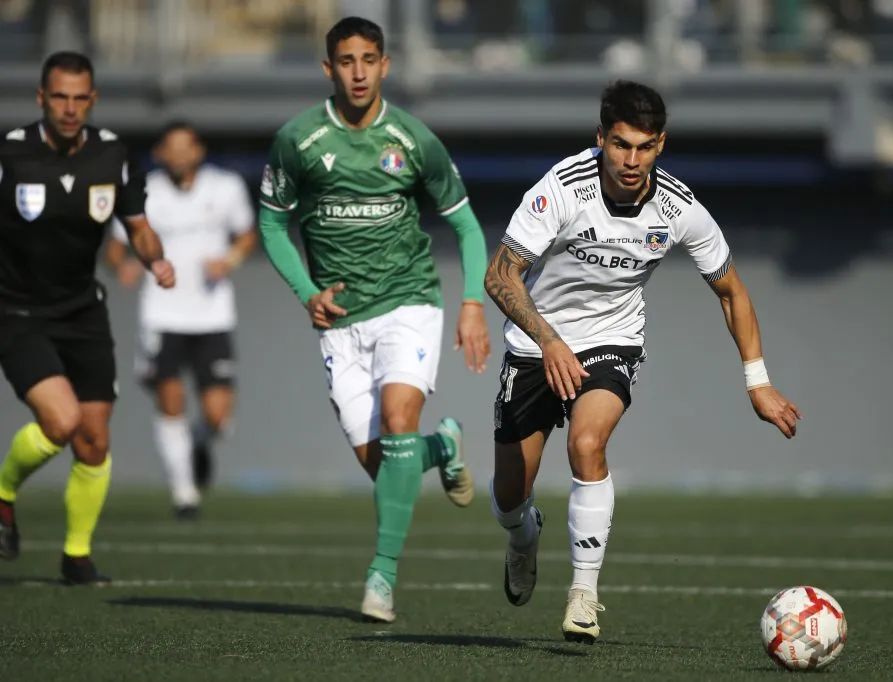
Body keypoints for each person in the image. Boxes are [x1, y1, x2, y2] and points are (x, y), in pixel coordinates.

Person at [484, 80, 802, 644]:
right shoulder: (560, 189)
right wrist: (550, 339)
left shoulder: (679, 208)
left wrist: (758, 381)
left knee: (587, 444)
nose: (632, 160)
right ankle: (522, 537)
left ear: (662, 144)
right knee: (511, 492)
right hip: (537, 344)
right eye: (622, 144)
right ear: (600, 137)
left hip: (612, 339)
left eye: (646, 147)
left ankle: (584, 593)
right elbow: (500, 276)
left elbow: (731, 291)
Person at [257, 17, 491, 623]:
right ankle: (442, 446)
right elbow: (271, 224)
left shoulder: (414, 140)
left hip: (409, 303)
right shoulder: (297, 140)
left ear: (385, 65)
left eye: (368, 60)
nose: (357, 71)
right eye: (345, 61)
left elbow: (465, 226)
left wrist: (471, 305)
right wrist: (307, 291)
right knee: (384, 461)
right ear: (328, 68)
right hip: (339, 322)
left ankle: (381, 578)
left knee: (396, 420)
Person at [0, 51, 175, 584]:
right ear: (41, 98)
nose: (70, 108)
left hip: (82, 310)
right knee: (62, 421)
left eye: (80, 98)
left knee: (94, 441)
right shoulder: (11, 155)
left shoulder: (112, 156)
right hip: (16, 310)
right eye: (60, 97)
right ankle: (3, 492)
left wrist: (155, 257)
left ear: (92, 100)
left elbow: (137, 225)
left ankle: (77, 556)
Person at [107, 121, 257, 518]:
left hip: (212, 314)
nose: (178, 155)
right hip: (162, 314)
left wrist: (229, 260)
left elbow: (247, 235)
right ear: (158, 153)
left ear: (199, 151)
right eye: (170, 147)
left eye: (185, 147)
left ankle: (197, 445)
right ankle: (184, 493)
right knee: (170, 400)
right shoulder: (144, 191)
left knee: (218, 416)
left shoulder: (225, 188)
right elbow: (117, 247)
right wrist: (127, 266)